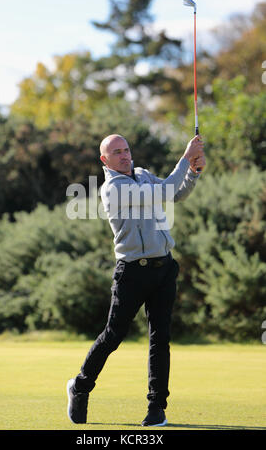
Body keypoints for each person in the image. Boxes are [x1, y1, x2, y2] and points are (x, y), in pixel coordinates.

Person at [67, 133, 206, 427]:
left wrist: (193, 172)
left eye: (126, 149)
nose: (124, 155)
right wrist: (185, 156)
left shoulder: (142, 175)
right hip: (132, 272)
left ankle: (156, 408)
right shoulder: (112, 190)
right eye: (116, 152)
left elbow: (177, 193)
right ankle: (80, 386)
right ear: (105, 161)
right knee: (113, 336)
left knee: (160, 339)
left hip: (164, 268)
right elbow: (167, 191)